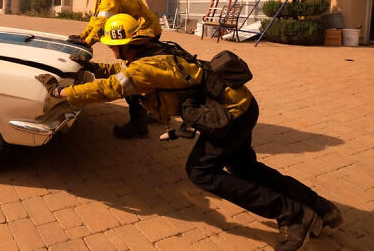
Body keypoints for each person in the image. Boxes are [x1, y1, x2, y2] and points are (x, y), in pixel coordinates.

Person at [37, 14, 342, 251]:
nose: (110, 49)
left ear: (123, 44)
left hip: (229, 117)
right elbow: (122, 74)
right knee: (245, 166)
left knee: (201, 172)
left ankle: (293, 216)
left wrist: (66, 94)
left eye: (111, 45)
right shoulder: (152, 51)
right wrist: (93, 66)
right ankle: (320, 208)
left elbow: (114, 87)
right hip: (241, 105)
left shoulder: (142, 68)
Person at [68, 0, 163, 139]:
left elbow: (103, 21)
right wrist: (83, 36)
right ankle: (155, 111)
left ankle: (139, 126)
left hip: (145, 34)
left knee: (131, 78)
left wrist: (88, 42)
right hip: (144, 31)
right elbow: (96, 18)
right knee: (144, 76)